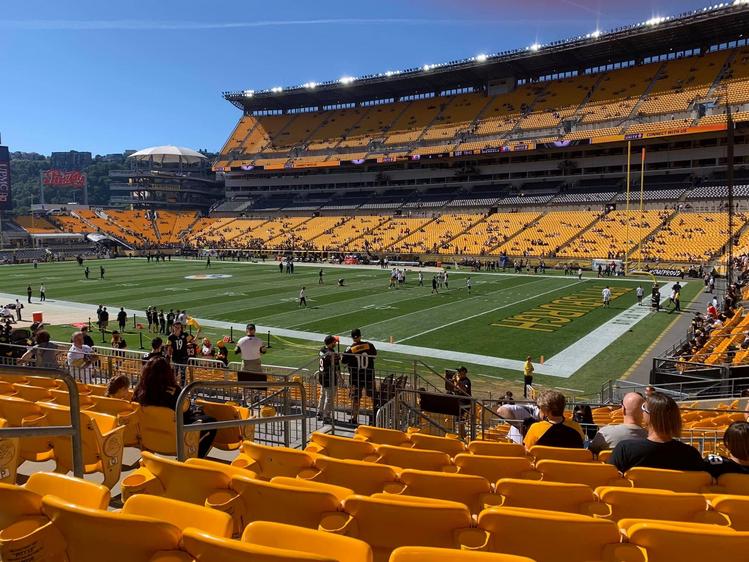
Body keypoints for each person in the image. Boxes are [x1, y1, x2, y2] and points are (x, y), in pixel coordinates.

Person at [132, 357, 216, 458]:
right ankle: (194, 457)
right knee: (212, 421)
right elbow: (185, 411)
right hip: (175, 438)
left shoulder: (139, 391)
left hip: (150, 436)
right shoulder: (174, 391)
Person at [608, 392, 704, 473]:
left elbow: (610, 480)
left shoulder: (625, 449)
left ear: (649, 416)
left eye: (643, 408)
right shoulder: (691, 454)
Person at [342, 328, 377, 425]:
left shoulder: (350, 348)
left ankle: (354, 418)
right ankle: (375, 415)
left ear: (352, 338)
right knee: (373, 397)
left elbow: (343, 361)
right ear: (360, 335)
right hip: (369, 375)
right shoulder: (369, 345)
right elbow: (374, 356)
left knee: (356, 398)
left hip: (355, 378)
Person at [317, 335, 340, 423]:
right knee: (329, 398)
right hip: (329, 377)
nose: (335, 343)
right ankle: (326, 416)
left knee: (322, 395)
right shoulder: (331, 353)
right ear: (330, 343)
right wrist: (340, 377)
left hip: (322, 376)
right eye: (334, 342)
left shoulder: (322, 350)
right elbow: (336, 365)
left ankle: (320, 412)